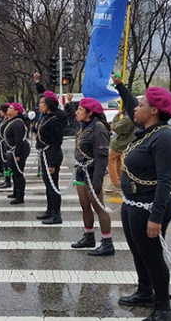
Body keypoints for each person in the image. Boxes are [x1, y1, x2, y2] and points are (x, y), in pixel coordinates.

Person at [112, 74, 171, 321]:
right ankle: (144, 291)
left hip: (150, 206)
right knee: (138, 252)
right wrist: (120, 87)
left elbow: (165, 182)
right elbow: (130, 105)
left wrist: (156, 217)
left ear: (154, 110)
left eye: (141, 105)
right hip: (132, 204)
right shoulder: (146, 130)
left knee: (152, 256)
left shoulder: (165, 138)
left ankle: (163, 309)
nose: (135, 109)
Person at [65, 95, 114, 256]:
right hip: (81, 171)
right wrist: (68, 105)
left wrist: (97, 181)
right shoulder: (83, 126)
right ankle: (89, 236)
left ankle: (107, 242)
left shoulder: (99, 128)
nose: (77, 112)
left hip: (93, 172)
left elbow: (102, 158)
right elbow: (72, 120)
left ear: (90, 112)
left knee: (98, 207)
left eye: (80, 109)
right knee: (84, 205)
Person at [35, 89, 68, 224]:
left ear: (49, 104)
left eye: (42, 102)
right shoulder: (46, 117)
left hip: (51, 154)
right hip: (44, 153)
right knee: (48, 185)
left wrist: (52, 163)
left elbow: (56, 142)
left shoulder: (55, 120)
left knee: (53, 185)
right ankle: (50, 210)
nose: (39, 105)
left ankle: (56, 214)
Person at [4, 102, 31, 204]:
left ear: (16, 111)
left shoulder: (18, 123)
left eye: (11, 108)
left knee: (18, 173)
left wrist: (17, 154)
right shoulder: (13, 121)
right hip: (12, 150)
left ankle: (20, 196)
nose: (8, 109)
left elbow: (18, 140)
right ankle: (15, 192)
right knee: (14, 173)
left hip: (18, 151)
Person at [106, 107, 136, 193]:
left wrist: (117, 116)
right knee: (119, 162)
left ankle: (115, 183)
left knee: (110, 162)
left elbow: (115, 127)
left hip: (120, 144)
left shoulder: (127, 119)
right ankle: (119, 180)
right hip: (127, 143)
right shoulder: (132, 117)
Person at [0, 104, 12, 187]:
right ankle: (6, 178)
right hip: (2, 143)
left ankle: (8, 179)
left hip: (6, 143)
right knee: (4, 162)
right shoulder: (3, 120)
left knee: (7, 164)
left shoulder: (9, 121)